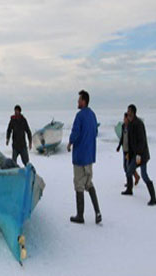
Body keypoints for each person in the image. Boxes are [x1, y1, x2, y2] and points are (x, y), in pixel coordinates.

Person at [67, 90, 102, 224]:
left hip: (80, 157)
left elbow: (75, 132)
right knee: (89, 183)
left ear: (84, 101)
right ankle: (97, 212)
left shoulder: (80, 116)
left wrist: (70, 143)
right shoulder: (93, 115)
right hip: (90, 156)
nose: (77, 102)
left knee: (79, 185)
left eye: (79, 100)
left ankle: (80, 215)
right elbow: (95, 132)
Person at [122, 104, 156, 206]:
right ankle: (129, 190)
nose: (127, 113)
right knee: (129, 171)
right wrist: (128, 153)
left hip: (142, 155)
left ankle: (153, 198)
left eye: (128, 111)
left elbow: (142, 141)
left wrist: (138, 155)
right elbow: (130, 141)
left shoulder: (138, 124)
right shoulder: (130, 124)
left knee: (144, 175)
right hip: (135, 154)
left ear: (132, 112)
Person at [116, 113, 140, 186]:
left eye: (125, 118)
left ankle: (131, 181)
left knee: (127, 167)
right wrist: (119, 146)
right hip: (124, 149)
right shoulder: (123, 126)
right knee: (126, 166)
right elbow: (122, 137)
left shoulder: (131, 127)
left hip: (130, 150)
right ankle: (136, 177)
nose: (124, 120)